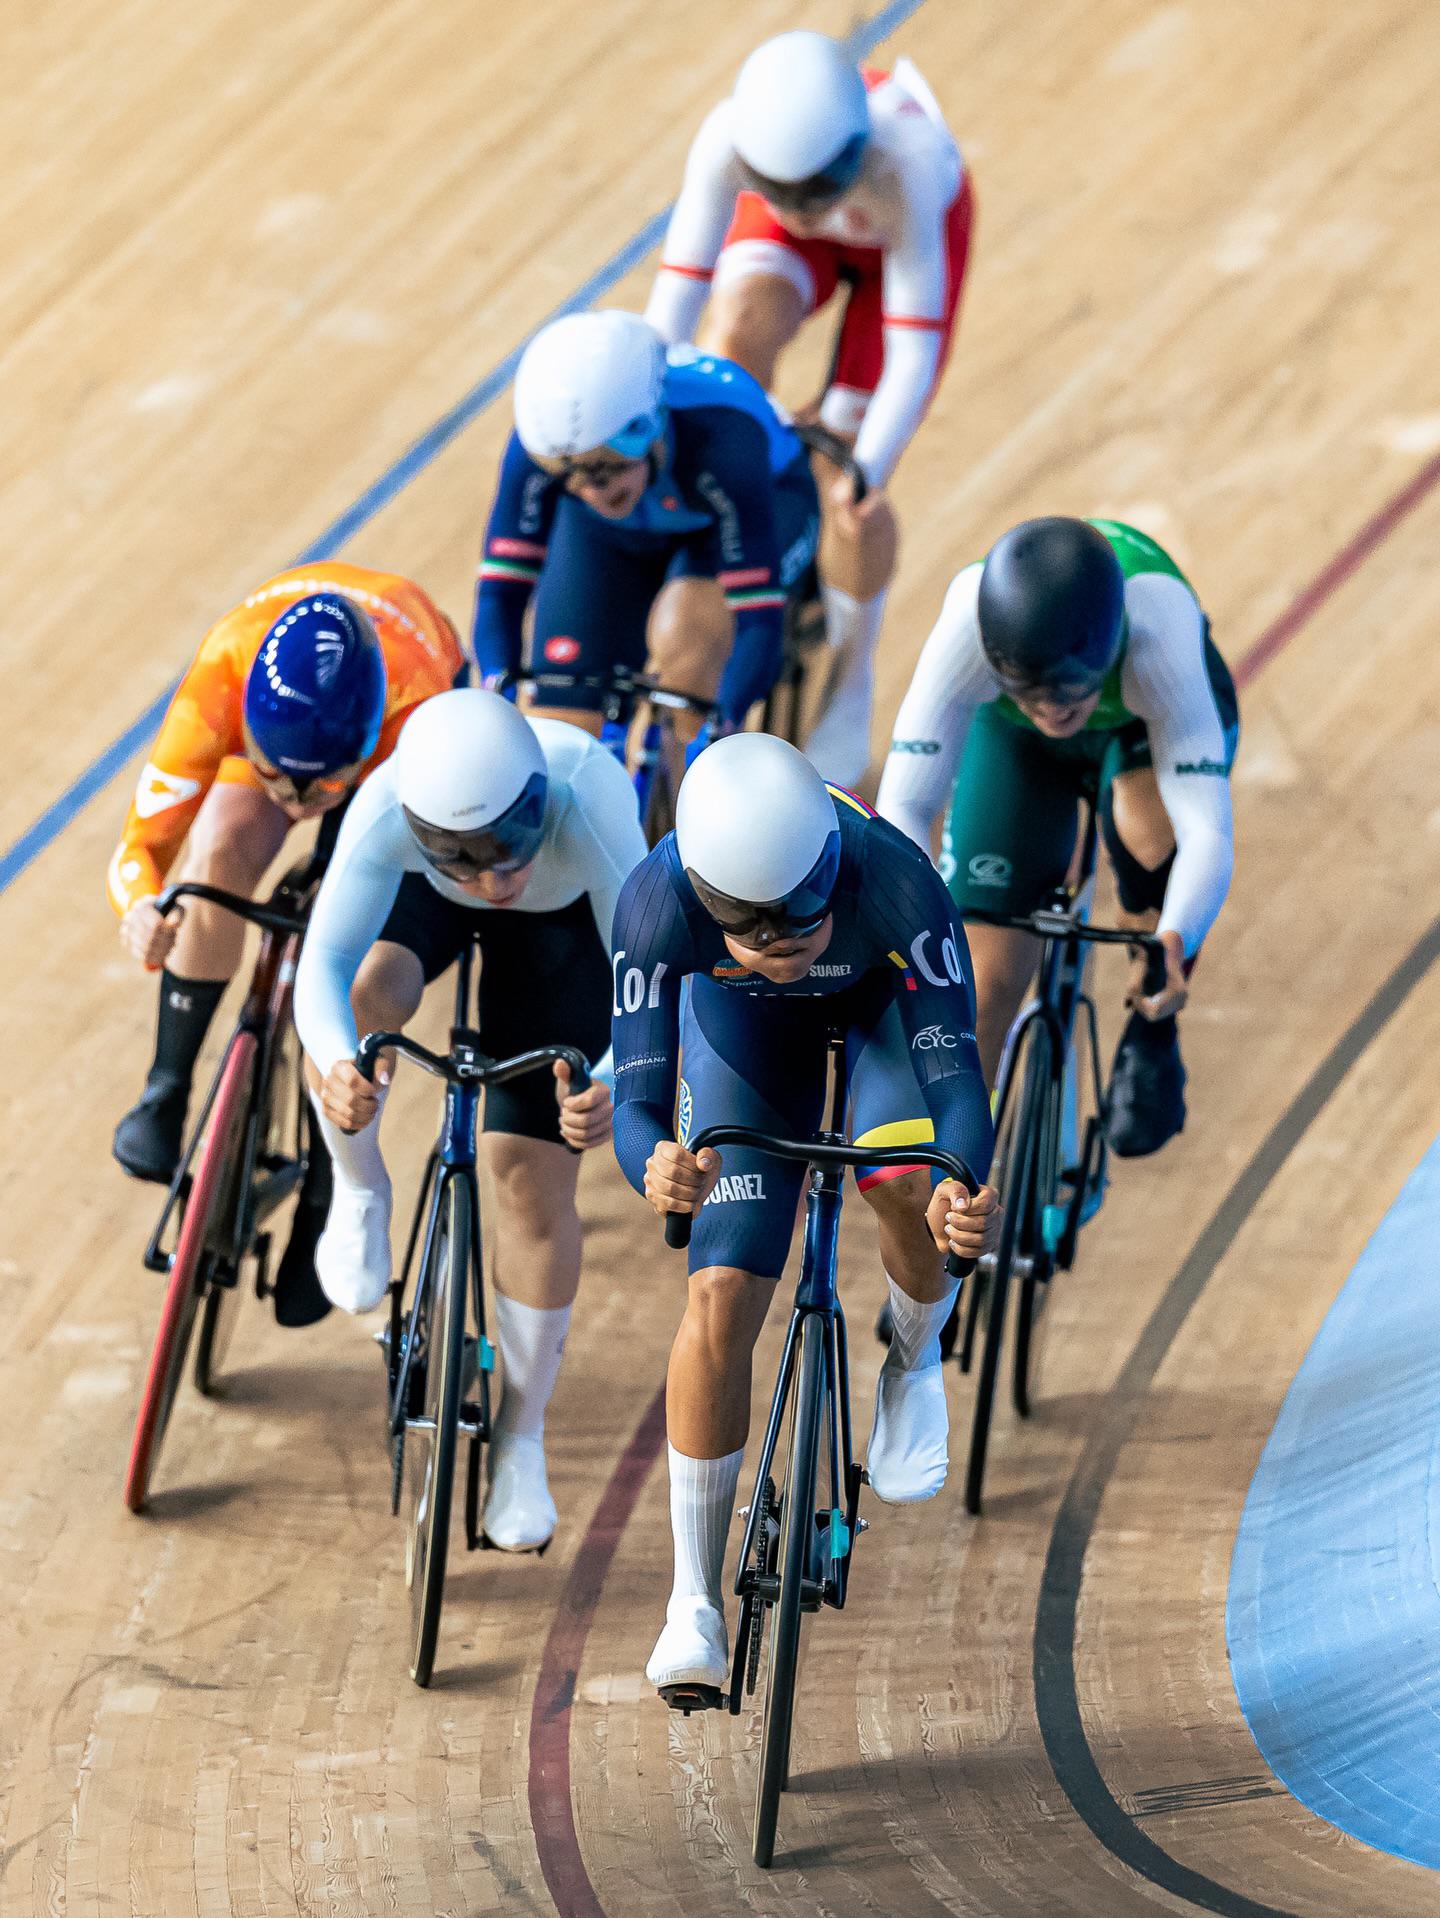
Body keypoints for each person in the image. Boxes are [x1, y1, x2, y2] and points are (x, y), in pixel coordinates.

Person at [609, 733, 1000, 1697]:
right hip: (742, 1042)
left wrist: (961, 1186)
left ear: (831, 870)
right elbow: (635, 1105)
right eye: (752, 934)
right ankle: (691, 1604)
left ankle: (914, 1362)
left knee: (910, 1179)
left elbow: (958, 1087)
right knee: (722, 1292)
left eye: (800, 925)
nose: (780, 950)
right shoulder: (657, 904)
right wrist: (653, 1166)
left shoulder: (898, 880)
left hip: (881, 1025)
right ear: (707, 900)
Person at [293, 688, 646, 1551]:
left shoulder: (591, 800)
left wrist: (608, 1077)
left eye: (509, 847)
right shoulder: (386, 807)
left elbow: (651, 980)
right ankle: (357, 1188)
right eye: (466, 858)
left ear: (540, 802)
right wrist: (343, 1066)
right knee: (369, 997)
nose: (494, 879)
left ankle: (520, 1442)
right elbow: (323, 963)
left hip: (563, 934)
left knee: (527, 1177)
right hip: (426, 901)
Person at [108, 566, 464, 1322]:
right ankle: (167, 1087)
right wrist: (142, 908)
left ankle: (330, 1188)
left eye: (316, 790)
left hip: (396, 736)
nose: (296, 804)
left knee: (359, 961)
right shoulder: (222, 677)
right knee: (219, 853)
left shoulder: (418, 711)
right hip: (314, 731)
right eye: (276, 777)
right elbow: (140, 848)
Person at [644, 30, 976, 786]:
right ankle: (710, 547)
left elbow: (911, 354)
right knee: (731, 341)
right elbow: (675, 304)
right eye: (780, 191)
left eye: (815, 190)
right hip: (833, 241)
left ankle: (849, 685)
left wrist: (862, 467)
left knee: (847, 482)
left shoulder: (909, 163)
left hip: (900, 242)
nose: (797, 209)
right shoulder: (728, 140)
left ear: (854, 152)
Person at [877, 517, 1239, 1157]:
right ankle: (955, 1185)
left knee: (1152, 849)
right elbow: (905, 802)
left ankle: (1154, 1029)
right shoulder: (966, 627)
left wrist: (1174, 944)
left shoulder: (1157, 639)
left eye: (1069, 691)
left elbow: (1206, 829)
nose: (1051, 710)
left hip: (1138, 729)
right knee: (982, 985)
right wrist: (919, 917)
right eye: (1028, 692)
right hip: (1013, 744)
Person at [472, 310, 819, 767]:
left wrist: (724, 720)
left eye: (605, 467)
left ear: (651, 425)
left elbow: (759, 622)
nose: (594, 490)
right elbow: (500, 593)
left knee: (687, 665)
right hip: (616, 534)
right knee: (556, 736)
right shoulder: (538, 449)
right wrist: (498, 689)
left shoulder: (723, 437)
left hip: (742, 514)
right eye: (569, 475)